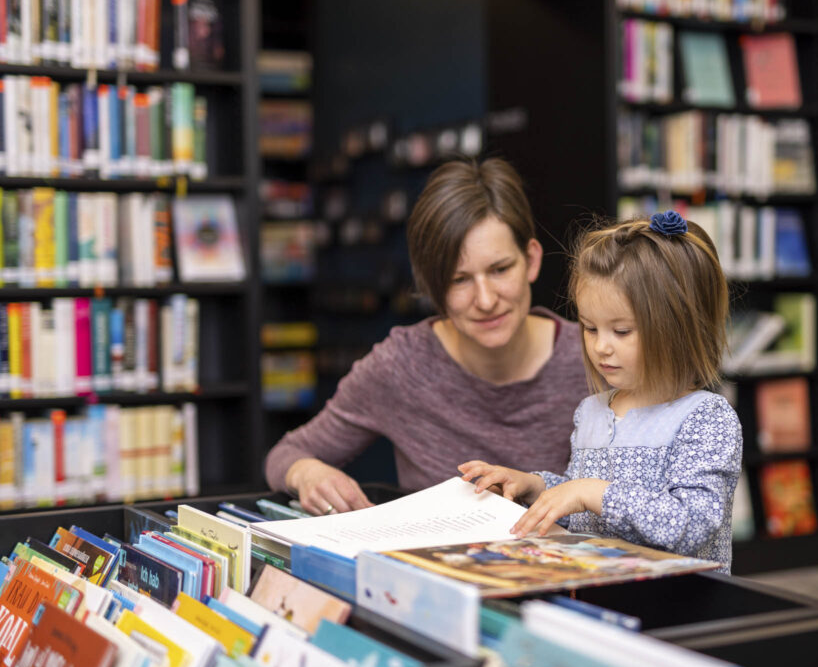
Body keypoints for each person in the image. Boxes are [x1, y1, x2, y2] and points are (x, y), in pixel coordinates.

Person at [264, 158, 589, 516]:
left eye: (499, 270)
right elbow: (285, 455)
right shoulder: (402, 364)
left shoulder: (595, 356)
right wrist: (309, 472)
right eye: (459, 280)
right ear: (433, 288)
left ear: (530, 260)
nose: (485, 300)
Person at [458, 210, 742, 572]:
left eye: (621, 331)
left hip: (682, 606)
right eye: (590, 328)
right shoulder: (591, 411)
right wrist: (532, 486)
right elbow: (582, 506)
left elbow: (691, 524)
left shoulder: (705, 418)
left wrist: (590, 493)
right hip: (602, 593)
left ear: (678, 328)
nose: (600, 347)